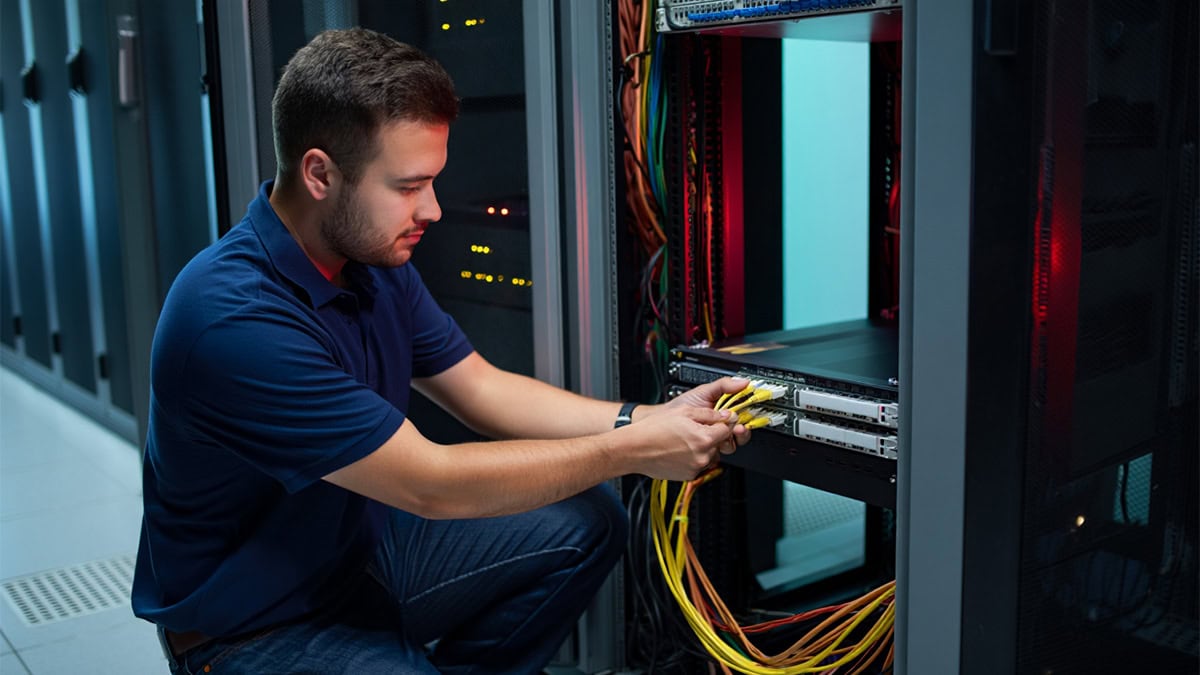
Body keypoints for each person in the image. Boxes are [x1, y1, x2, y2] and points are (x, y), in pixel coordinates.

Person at [132, 27, 750, 674]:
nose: (432, 208)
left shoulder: (369, 259)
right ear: (320, 173)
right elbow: (431, 485)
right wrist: (633, 452)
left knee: (585, 522)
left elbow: (480, 388)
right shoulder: (231, 318)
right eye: (407, 186)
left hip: (354, 556)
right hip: (249, 626)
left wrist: (648, 418)